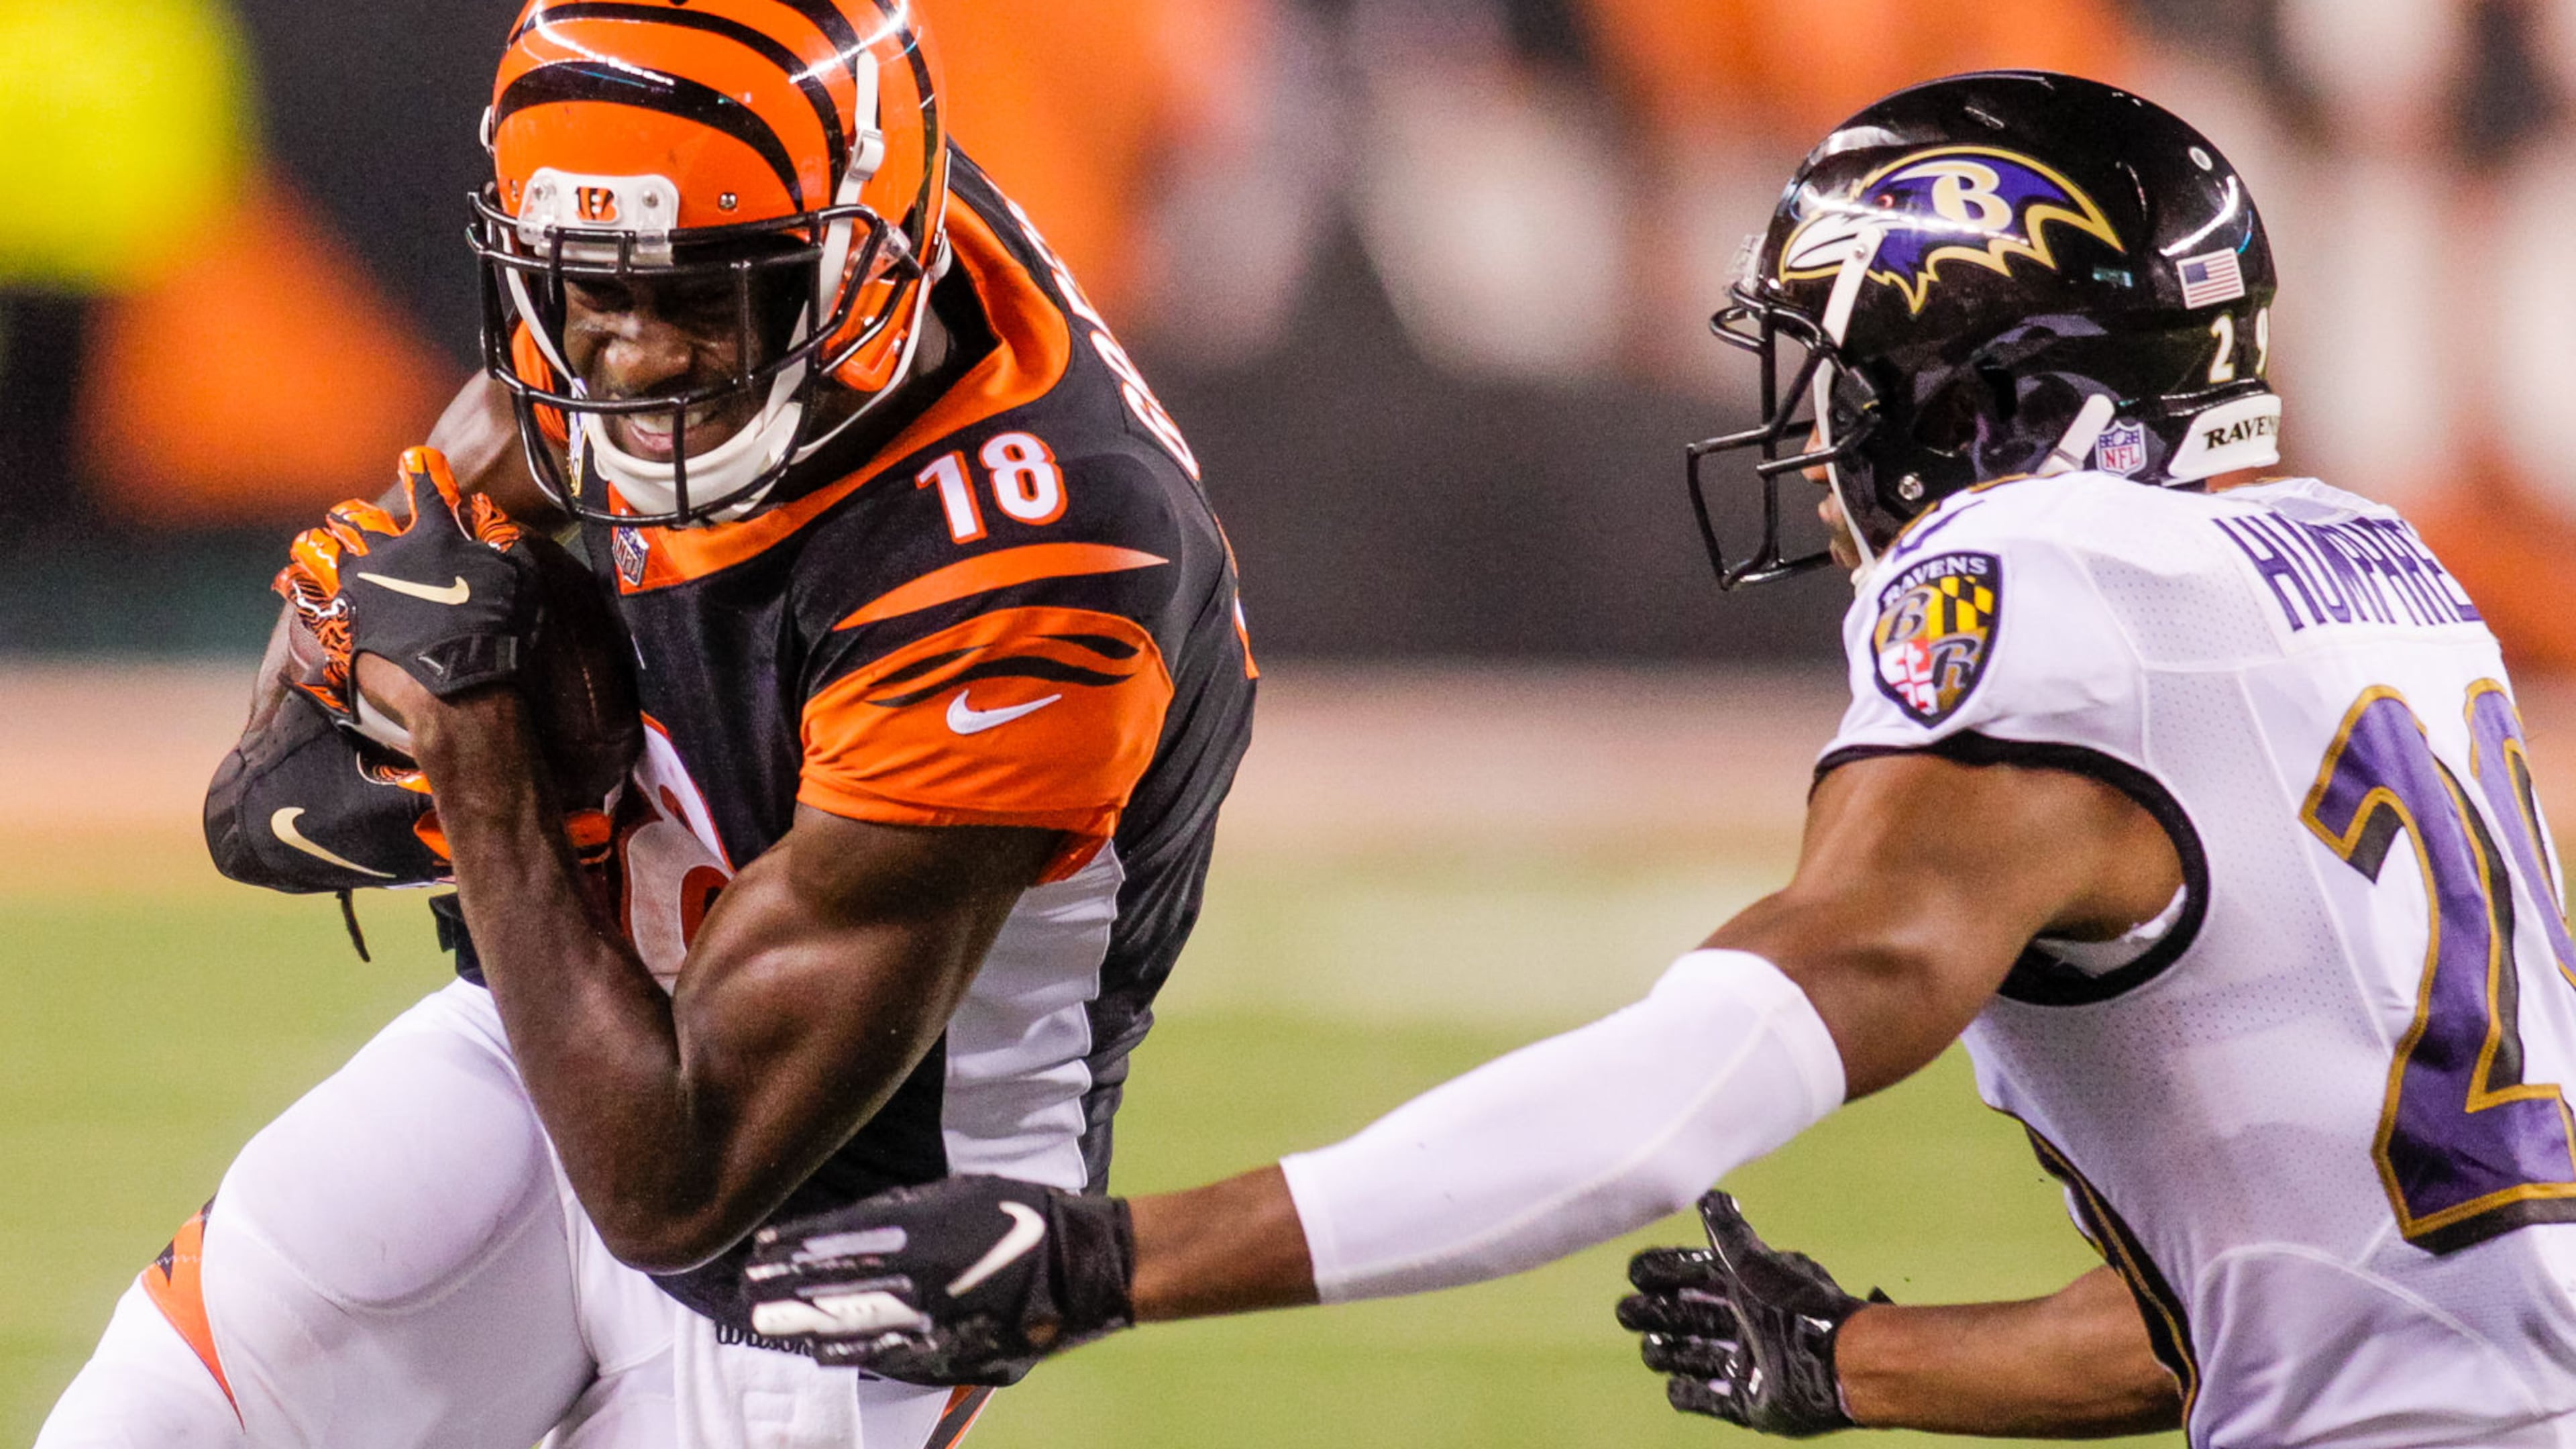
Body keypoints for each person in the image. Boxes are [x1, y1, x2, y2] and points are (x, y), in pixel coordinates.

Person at [742, 71, 2576, 1446]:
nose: (1815, 446)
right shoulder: (2374, 581)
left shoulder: (2041, 582)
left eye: (1844, 387)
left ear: (1995, 407)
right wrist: (1858, 1363)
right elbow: (2293, 1295)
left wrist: (1113, 1260)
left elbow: (1707, 1071)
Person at [36, 3, 1253, 1446]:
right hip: (562, 1037)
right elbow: (283, 749)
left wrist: (476, 754)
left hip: (847, 1230)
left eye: (700, 299)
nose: (634, 363)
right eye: (584, 296)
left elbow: (674, 1182)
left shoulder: (1037, 575)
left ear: (863, 269)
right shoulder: (763, 218)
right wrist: (404, 623)